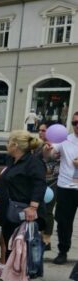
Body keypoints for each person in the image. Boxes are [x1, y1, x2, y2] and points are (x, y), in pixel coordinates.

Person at [0, 130, 46, 281]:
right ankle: (9, 278)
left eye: (8, 142)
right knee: (10, 244)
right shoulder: (12, 160)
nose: (7, 145)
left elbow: (40, 184)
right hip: (9, 210)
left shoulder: (33, 162)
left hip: (23, 210)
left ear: (15, 145)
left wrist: (33, 207)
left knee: (22, 248)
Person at [46, 111, 78, 265]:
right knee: (64, 222)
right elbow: (51, 153)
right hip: (66, 187)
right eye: (74, 123)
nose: (77, 126)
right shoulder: (65, 139)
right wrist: (48, 150)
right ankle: (63, 251)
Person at [38, 124, 58, 251]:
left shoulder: (57, 146)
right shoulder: (37, 145)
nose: (40, 132)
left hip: (52, 182)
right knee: (38, 209)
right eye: (39, 130)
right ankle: (39, 235)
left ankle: (47, 239)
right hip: (38, 182)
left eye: (43, 130)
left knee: (48, 211)